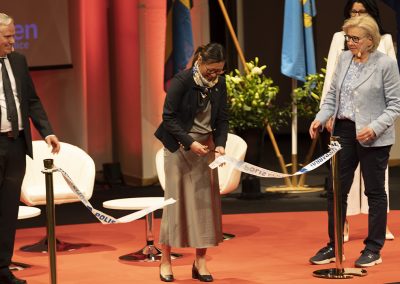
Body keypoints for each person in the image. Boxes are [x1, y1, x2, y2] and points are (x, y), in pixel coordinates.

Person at [309, 15, 400, 268]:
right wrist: (320, 118)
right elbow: (331, 97)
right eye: (348, 37)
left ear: (370, 40)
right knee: (336, 190)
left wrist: (375, 127)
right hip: (343, 132)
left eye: (355, 38)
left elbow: (395, 105)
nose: (349, 42)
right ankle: (334, 244)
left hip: (373, 134)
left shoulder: (386, 64)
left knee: (374, 192)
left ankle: (373, 248)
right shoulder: (344, 59)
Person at [154, 42, 228, 282]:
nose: (215, 75)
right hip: (179, 148)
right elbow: (169, 118)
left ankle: (200, 262)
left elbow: (223, 118)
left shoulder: (220, 84)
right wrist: (189, 142)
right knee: (174, 205)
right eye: (211, 70)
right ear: (200, 62)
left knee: (205, 207)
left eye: (219, 70)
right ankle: (165, 261)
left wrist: (220, 144)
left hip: (205, 149)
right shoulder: (182, 81)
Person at [0, 13, 60, 284]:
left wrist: (47, 132)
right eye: (7, 37)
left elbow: (32, 101)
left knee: (7, 209)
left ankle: (2, 268)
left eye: (13, 35)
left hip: (15, 144)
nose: (13, 41)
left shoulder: (18, 61)